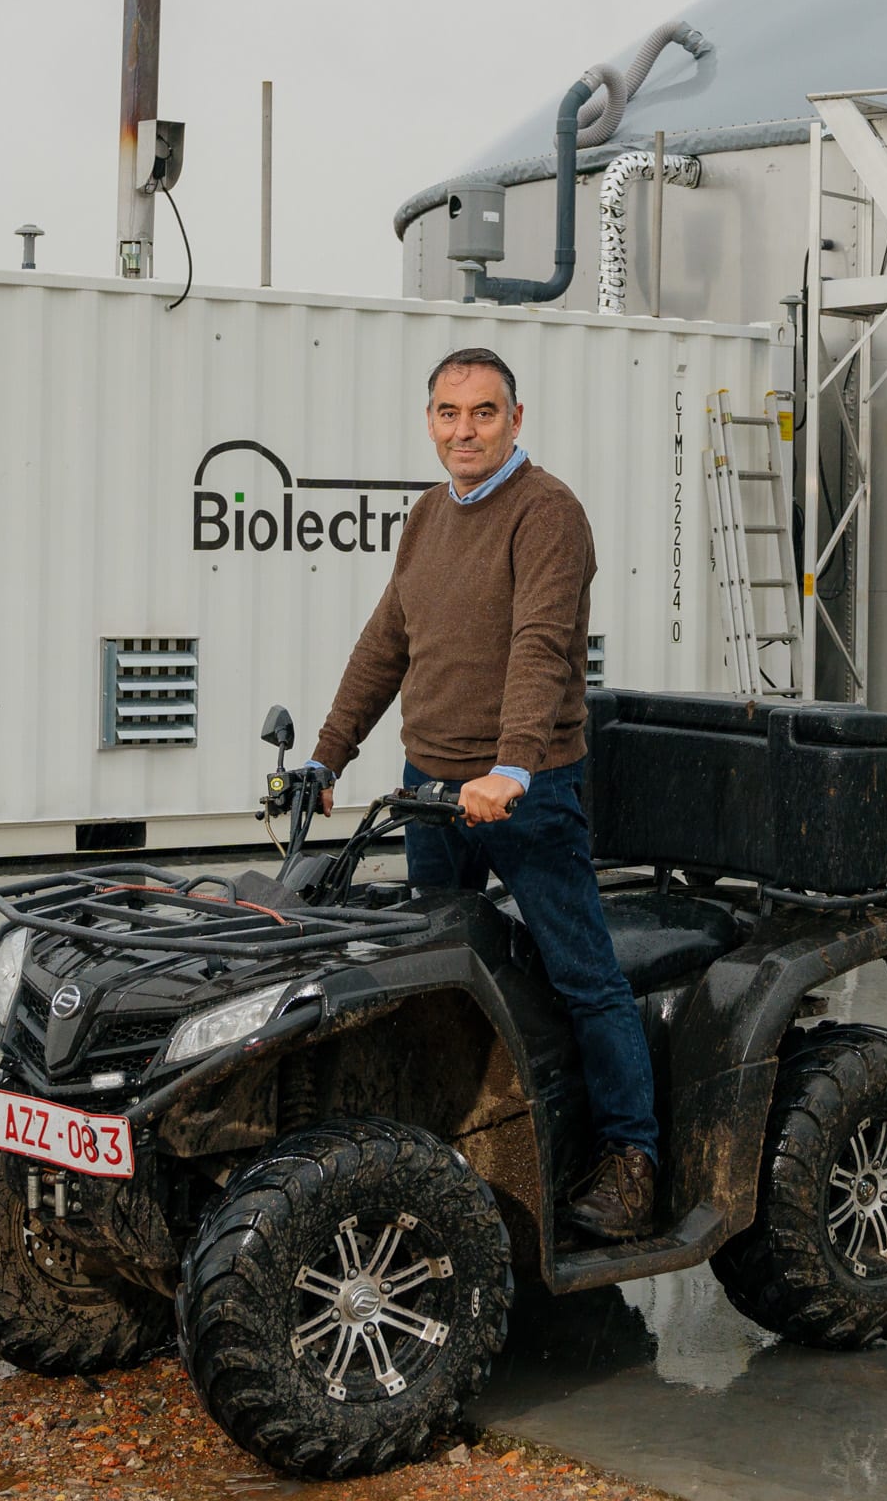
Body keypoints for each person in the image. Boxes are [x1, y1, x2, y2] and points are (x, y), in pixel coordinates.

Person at [298, 345, 657, 1242]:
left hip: (523, 790)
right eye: (449, 413)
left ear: (515, 420)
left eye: (484, 412)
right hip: (430, 794)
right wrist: (327, 757)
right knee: (437, 979)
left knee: (583, 975)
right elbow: (386, 643)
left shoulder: (547, 512)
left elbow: (542, 644)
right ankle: (458, 1144)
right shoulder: (427, 515)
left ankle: (632, 1158)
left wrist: (513, 767)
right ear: (430, 421)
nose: (466, 430)